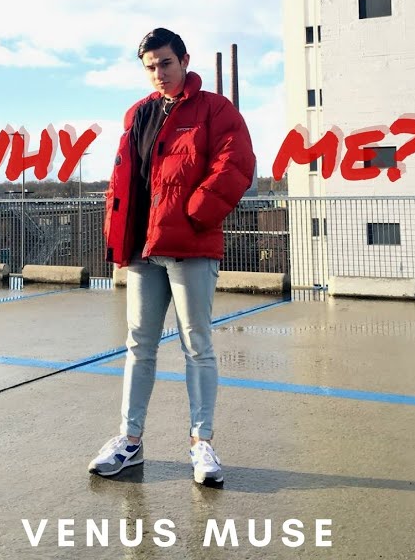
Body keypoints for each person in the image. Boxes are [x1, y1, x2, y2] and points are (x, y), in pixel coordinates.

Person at [89, 28, 255, 487]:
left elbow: (236, 163)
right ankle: (130, 440)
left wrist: (196, 213)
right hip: (143, 247)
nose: (158, 73)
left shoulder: (215, 110)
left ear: (184, 60)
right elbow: (124, 179)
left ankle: (202, 443)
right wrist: (116, 234)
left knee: (196, 344)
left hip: (189, 245)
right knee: (139, 345)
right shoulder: (139, 114)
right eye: (150, 66)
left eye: (165, 63)